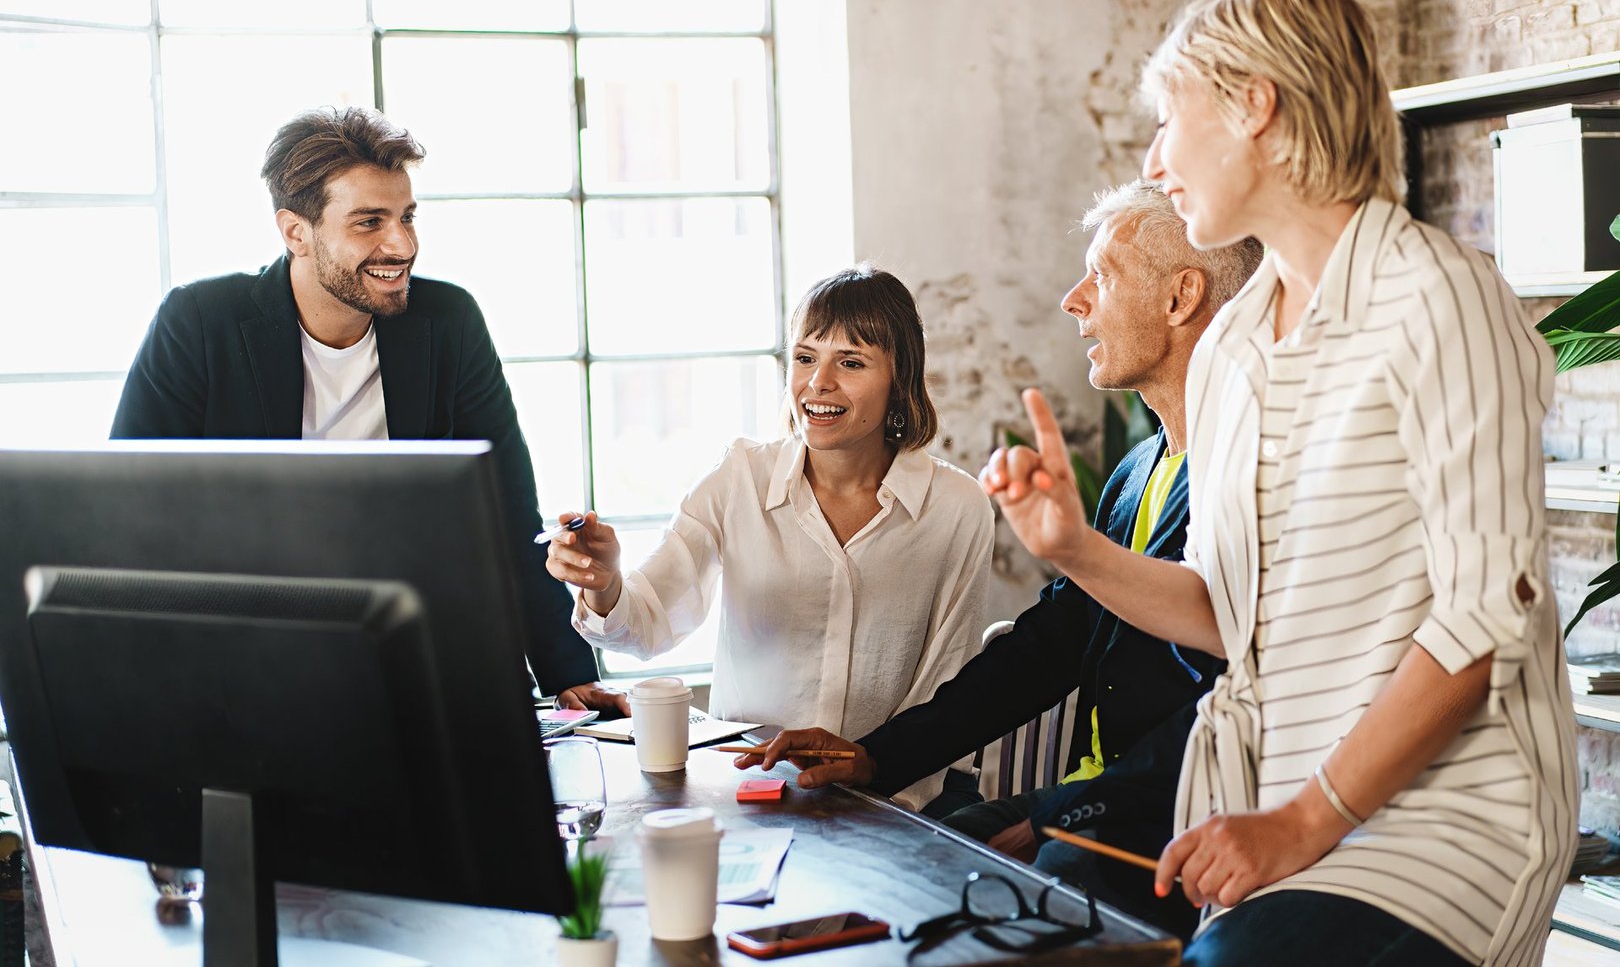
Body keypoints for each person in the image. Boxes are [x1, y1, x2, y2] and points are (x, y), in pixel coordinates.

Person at [982, 0, 1576, 966]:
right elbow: (1229, 615)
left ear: (1255, 106)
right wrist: (1075, 549)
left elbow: (1486, 619)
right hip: (1279, 822)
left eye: (1169, 119)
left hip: (1441, 834)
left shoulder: (1441, 296)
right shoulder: (1236, 346)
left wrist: (1304, 821)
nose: (1155, 161)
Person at [736, 181, 1262, 938]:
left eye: (1103, 275)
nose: (1074, 301)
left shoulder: (1248, 472)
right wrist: (875, 759)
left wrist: (1060, 815)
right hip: (1086, 803)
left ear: (1181, 297)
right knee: (892, 863)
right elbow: (1047, 649)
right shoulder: (1137, 470)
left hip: (1173, 820)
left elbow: (1232, 697)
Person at [111, 106, 625, 715]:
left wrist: (569, 674)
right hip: (250, 670)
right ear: (296, 232)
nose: (402, 244)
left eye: (407, 217)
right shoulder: (199, 324)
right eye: (369, 222)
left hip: (419, 660)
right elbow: (129, 521)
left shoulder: (448, 322)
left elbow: (507, 512)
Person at [546, 265, 994, 812]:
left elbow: (945, 685)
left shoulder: (956, 507)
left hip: (896, 795)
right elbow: (645, 624)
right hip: (749, 786)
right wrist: (604, 584)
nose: (818, 383)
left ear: (899, 379)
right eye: (805, 357)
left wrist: (879, 787)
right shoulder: (739, 478)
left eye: (850, 362)